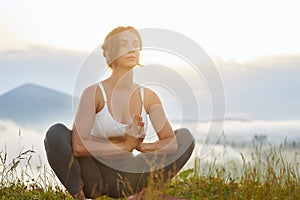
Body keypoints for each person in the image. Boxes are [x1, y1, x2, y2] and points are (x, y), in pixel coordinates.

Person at [44, 26, 195, 199]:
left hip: (128, 176)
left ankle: (141, 194)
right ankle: (79, 197)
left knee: (185, 137)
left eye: (136, 44)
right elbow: (78, 147)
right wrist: (125, 145)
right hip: (93, 177)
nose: (132, 49)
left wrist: (143, 146)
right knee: (55, 133)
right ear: (109, 54)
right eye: (124, 44)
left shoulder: (149, 97)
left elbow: (172, 143)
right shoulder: (94, 93)